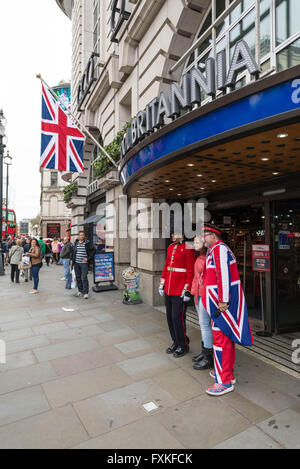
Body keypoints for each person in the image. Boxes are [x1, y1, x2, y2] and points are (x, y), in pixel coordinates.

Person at [201, 223, 253, 396]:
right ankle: (226, 375)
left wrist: (222, 301)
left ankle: (224, 382)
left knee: (221, 341)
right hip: (221, 303)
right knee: (225, 340)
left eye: (206, 235)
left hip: (222, 305)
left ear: (214, 236)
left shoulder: (218, 249)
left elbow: (223, 275)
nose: (203, 239)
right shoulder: (217, 249)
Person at [159, 232, 195, 358]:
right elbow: (167, 266)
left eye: (175, 233)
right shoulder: (170, 247)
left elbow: (191, 270)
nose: (172, 235)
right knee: (169, 316)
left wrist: (188, 289)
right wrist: (162, 282)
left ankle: (183, 344)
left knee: (177, 317)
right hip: (169, 286)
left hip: (180, 288)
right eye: (172, 233)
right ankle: (175, 341)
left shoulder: (189, 247)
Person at [190, 237, 212, 370]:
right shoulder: (200, 256)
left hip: (204, 293)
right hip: (197, 292)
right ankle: (205, 352)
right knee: (202, 324)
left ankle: (208, 356)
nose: (194, 244)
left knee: (205, 325)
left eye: (197, 242)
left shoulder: (209, 257)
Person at [71, 231, 96, 299]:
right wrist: (72, 261)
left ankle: (85, 292)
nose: (81, 236)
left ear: (84, 236)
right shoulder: (75, 243)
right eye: (80, 235)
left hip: (84, 263)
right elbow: (73, 252)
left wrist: (88, 258)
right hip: (76, 263)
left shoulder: (87, 243)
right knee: (78, 277)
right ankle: (80, 290)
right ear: (78, 236)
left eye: (83, 235)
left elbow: (93, 250)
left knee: (84, 277)